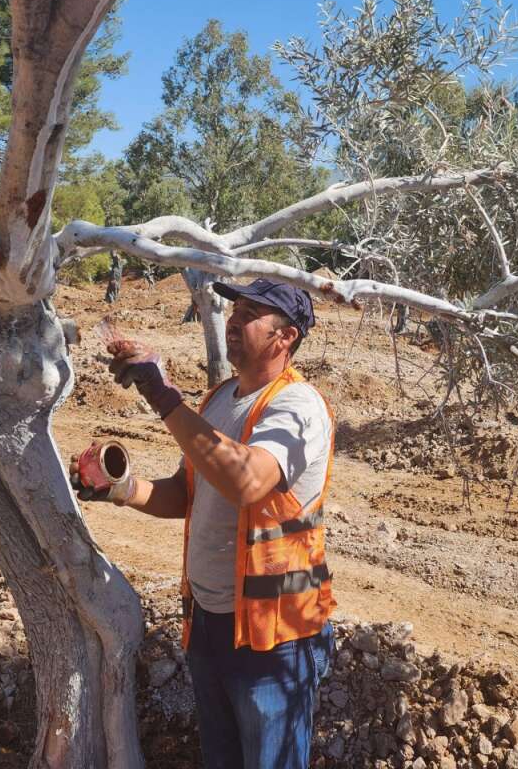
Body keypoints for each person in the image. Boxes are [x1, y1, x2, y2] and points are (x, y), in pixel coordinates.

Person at [70, 278, 336, 769]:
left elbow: (248, 481)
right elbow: (190, 493)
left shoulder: (298, 407)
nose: (234, 319)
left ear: (286, 337)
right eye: (235, 308)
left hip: (274, 636)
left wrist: (165, 399)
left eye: (252, 313)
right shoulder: (219, 400)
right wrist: (122, 488)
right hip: (211, 624)